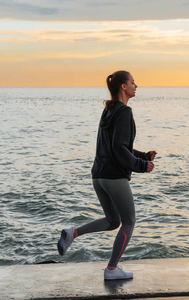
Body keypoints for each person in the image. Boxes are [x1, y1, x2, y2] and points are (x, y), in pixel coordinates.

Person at [57, 70, 156, 280]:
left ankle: (72, 233)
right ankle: (111, 269)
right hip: (113, 176)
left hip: (99, 176)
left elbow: (117, 146)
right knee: (129, 221)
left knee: (113, 221)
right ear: (123, 87)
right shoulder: (124, 112)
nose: (136, 86)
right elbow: (120, 150)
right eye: (132, 82)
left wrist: (144, 155)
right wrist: (140, 165)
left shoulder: (109, 111)